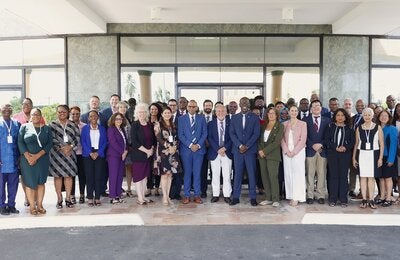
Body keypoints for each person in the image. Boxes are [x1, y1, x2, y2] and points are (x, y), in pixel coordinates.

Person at [18, 108, 52, 215]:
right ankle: (32, 207)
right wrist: (28, 157)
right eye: (33, 114)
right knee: (29, 183)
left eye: (38, 114)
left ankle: (40, 205)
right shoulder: (24, 127)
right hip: (27, 160)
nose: (35, 116)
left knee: (41, 182)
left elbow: (49, 144)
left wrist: (36, 156)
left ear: (41, 116)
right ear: (30, 116)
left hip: (42, 159)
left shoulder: (47, 128)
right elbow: (20, 142)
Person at [13, 98, 45, 207]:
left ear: (31, 106)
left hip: (37, 153)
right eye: (24, 104)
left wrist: (36, 156)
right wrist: (25, 155)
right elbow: (18, 139)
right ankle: (27, 197)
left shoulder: (39, 117)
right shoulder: (16, 118)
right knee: (25, 177)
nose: (25, 105)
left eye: (28, 104)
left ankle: (36, 199)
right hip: (21, 153)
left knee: (36, 177)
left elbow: (43, 135)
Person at [229, 97, 260, 206]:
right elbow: (231, 133)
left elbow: (256, 134)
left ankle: (253, 198)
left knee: (251, 174)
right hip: (238, 151)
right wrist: (240, 145)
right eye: (243, 102)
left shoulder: (255, 117)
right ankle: (236, 197)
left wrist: (247, 145)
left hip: (250, 151)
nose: (245, 104)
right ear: (240, 104)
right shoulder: (234, 118)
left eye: (246, 102)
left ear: (249, 104)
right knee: (237, 174)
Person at [49, 105, 80, 209]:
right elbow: (51, 139)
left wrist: (70, 147)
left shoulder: (73, 125)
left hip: (70, 154)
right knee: (57, 177)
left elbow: (77, 138)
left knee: (69, 176)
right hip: (56, 155)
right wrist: (62, 148)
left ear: (68, 113)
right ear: (56, 113)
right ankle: (59, 199)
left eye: (64, 112)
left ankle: (68, 198)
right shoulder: (52, 125)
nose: (61, 113)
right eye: (59, 112)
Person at [353, 107, 384, 209]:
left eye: (369, 115)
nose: (367, 117)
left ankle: (371, 199)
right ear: (363, 116)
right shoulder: (359, 128)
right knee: (362, 177)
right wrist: (354, 158)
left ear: (372, 116)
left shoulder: (378, 127)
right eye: (365, 115)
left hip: (374, 154)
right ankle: (364, 200)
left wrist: (380, 158)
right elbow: (356, 144)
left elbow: (382, 144)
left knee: (371, 178)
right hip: (362, 154)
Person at [324, 108, 355, 207]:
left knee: (343, 177)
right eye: (338, 115)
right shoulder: (330, 126)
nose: (340, 117)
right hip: (332, 154)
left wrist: (345, 147)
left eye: (342, 115)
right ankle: (332, 199)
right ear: (335, 117)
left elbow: (352, 141)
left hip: (345, 155)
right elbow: (326, 140)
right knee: (333, 176)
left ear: (345, 117)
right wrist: (335, 147)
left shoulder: (349, 128)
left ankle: (343, 199)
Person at [178, 100, 207, 204]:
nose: (191, 108)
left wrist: (198, 145)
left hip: (199, 151)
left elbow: (205, 133)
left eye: (194, 106)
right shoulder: (181, 119)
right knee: (187, 173)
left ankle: (197, 195)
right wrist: (190, 145)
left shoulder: (202, 118)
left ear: (196, 108)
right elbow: (181, 135)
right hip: (186, 151)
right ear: (187, 107)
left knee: (197, 173)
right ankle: (186, 195)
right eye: (190, 106)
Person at [154, 107, 182, 205]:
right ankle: (164, 197)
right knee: (164, 174)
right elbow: (158, 138)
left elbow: (177, 138)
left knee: (170, 174)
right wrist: (168, 147)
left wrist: (174, 147)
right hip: (163, 153)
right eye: (165, 113)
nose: (167, 114)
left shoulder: (173, 125)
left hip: (173, 152)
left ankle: (168, 196)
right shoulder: (158, 124)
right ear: (162, 114)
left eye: (169, 113)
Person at [281, 105, 307, 206]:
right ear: (288, 112)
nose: (294, 112)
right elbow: (281, 139)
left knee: (298, 174)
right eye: (292, 111)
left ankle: (297, 197)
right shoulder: (284, 124)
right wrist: (287, 151)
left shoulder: (303, 124)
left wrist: (294, 151)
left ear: (298, 112)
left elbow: (303, 139)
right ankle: (291, 195)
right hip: (287, 152)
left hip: (298, 152)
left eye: (296, 111)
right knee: (288, 173)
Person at [305, 99, 330, 204]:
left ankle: (321, 195)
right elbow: (303, 136)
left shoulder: (327, 120)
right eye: (314, 106)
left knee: (321, 173)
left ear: (321, 108)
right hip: (310, 150)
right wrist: (312, 145)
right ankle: (310, 195)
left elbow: (329, 136)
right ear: (311, 108)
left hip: (322, 150)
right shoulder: (305, 120)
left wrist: (321, 144)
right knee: (310, 174)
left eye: (318, 105)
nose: (316, 107)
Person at [258, 107, 284, 207]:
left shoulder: (280, 126)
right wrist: (260, 151)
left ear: (276, 115)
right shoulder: (263, 125)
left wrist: (264, 151)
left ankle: (275, 199)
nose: (271, 115)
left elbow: (276, 142)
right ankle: (268, 198)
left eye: (273, 113)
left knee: (273, 177)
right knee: (264, 177)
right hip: (262, 155)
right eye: (269, 113)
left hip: (273, 155)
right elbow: (259, 140)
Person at [81, 110, 108, 207]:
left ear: (98, 118)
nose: (93, 118)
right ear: (88, 118)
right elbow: (83, 142)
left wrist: (98, 152)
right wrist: (90, 153)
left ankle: (97, 197)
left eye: (95, 116)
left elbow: (105, 142)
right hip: (88, 155)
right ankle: (89, 197)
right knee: (89, 177)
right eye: (91, 116)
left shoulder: (102, 129)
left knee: (98, 176)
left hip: (99, 154)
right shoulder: (84, 129)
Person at [207, 104, 233, 203]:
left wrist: (225, 148)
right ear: (215, 112)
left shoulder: (231, 122)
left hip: (227, 152)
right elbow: (209, 138)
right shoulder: (210, 124)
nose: (220, 113)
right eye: (218, 111)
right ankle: (215, 194)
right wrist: (218, 149)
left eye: (222, 111)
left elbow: (232, 137)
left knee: (227, 174)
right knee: (215, 174)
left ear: (226, 112)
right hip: (215, 152)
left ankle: (227, 195)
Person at [131, 103, 155, 205]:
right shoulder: (134, 125)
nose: (142, 114)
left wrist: (151, 150)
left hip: (148, 155)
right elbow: (134, 142)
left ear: (147, 113)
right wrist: (147, 151)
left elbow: (154, 139)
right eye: (139, 112)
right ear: (136, 113)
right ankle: (140, 198)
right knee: (138, 177)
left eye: (144, 112)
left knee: (145, 176)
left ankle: (144, 196)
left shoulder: (150, 125)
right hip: (138, 155)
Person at [0, 104, 21, 215]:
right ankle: (2, 206)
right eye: (4, 109)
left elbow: (20, 142)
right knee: (1, 185)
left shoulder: (17, 124)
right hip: (1, 160)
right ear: (0, 110)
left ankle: (11, 205)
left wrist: (20, 157)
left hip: (14, 160)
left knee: (13, 185)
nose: (7, 111)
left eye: (9, 109)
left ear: (12, 111)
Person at [376, 110, 398, 206]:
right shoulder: (377, 128)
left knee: (388, 178)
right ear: (379, 117)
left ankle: (388, 198)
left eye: (386, 116)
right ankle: (382, 197)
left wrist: (391, 159)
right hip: (379, 157)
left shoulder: (393, 129)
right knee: (381, 178)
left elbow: (393, 145)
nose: (384, 117)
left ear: (389, 118)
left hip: (389, 157)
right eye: (382, 115)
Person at [107, 113, 128, 204]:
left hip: (122, 156)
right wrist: (122, 152)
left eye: (120, 119)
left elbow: (125, 141)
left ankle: (118, 195)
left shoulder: (122, 129)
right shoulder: (111, 129)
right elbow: (113, 142)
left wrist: (126, 151)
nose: (119, 120)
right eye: (117, 119)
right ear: (113, 120)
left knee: (120, 176)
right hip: (114, 156)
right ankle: (112, 197)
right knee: (113, 176)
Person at [70, 106, 86, 204]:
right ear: (70, 114)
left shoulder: (84, 126)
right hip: (71, 154)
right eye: (73, 114)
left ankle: (82, 194)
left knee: (82, 175)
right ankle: (71, 195)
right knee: (71, 175)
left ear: (80, 114)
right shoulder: (67, 125)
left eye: (77, 113)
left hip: (82, 153)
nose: (75, 115)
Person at [117, 101, 133, 197]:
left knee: (128, 168)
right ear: (117, 109)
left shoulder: (128, 119)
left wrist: (129, 146)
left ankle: (129, 188)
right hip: (118, 149)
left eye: (124, 107)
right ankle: (117, 188)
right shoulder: (114, 119)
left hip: (128, 148)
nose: (123, 109)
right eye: (121, 107)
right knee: (118, 168)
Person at [147, 103, 162, 197]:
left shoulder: (161, 121)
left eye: (155, 109)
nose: (153, 111)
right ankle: (148, 188)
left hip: (158, 147)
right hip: (148, 148)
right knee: (148, 168)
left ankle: (156, 188)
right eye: (152, 109)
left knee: (157, 167)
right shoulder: (146, 121)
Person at [200, 99, 214, 198]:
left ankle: (215, 190)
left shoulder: (217, 117)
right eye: (206, 105)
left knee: (215, 171)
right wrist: (205, 141)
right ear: (203, 107)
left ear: (212, 107)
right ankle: (203, 190)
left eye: (209, 105)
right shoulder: (199, 118)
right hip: (203, 147)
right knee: (203, 170)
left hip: (214, 148)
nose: (208, 107)